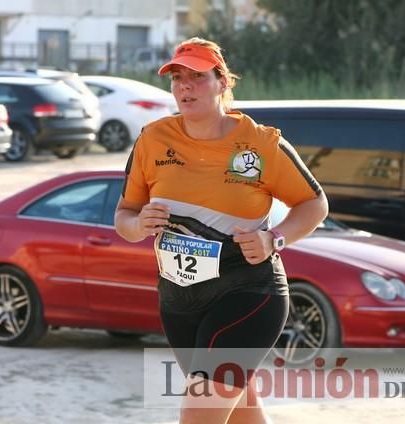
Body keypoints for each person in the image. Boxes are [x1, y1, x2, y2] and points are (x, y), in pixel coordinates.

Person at [115, 37, 329, 424]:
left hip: (248, 292)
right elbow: (125, 218)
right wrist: (138, 223)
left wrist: (273, 239)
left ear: (223, 83)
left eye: (196, 77)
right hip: (178, 301)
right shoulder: (152, 139)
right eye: (177, 78)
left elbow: (315, 204)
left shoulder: (261, 144)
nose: (184, 86)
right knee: (238, 416)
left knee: (200, 416)